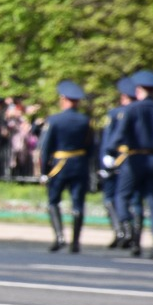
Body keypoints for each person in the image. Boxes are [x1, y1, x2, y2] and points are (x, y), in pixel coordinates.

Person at [39, 81, 94, 253]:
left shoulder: (54, 120)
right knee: (78, 204)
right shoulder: (86, 121)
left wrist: (43, 172)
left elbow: (45, 148)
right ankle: (75, 242)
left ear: (63, 99)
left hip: (59, 166)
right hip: (79, 165)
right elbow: (90, 147)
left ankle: (60, 237)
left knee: (53, 201)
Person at [104, 69, 153, 257]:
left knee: (123, 196)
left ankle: (131, 232)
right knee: (150, 201)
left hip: (135, 159)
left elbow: (120, 133)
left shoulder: (132, 109)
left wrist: (109, 152)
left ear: (140, 90)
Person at [100, 78, 136, 248]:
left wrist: (104, 161)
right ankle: (128, 234)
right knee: (131, 200)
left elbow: (108, 141)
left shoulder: (116, 114)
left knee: (111, 197)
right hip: (133, 160)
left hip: (117, 161)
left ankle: (122, 232)